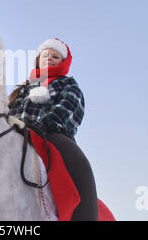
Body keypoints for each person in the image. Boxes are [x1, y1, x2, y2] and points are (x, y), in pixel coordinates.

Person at [7, 38, 99, 221]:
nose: (49, 58)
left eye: (55, 56)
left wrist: (44, 125)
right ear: (38, 59)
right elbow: (10, 111)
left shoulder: (67, 84)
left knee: (79, 163)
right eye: (45, 55)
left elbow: (71, 106)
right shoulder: (23, 88)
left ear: (63, 62)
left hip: (51, 133)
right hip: (17, 133)